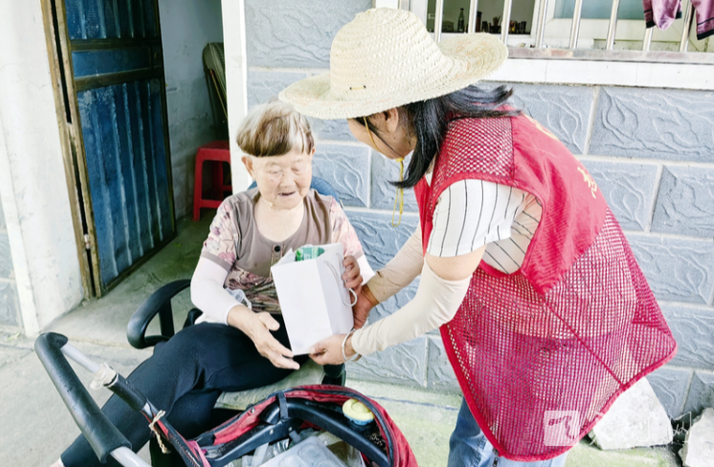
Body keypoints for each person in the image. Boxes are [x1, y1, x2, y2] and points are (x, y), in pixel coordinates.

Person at [280, 8, 678, 467]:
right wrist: (371, 292)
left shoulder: (468, 177)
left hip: (568, 318)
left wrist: (351, 346)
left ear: (387, 115)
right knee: (477, 427)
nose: (353, 134)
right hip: (529, 305)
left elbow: (436, 307)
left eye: (353, 120)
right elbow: (440, 234)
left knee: (521, 453)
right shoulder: (454, 123)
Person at [51, 100, 373, 467]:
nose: (287, 180)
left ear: (312, 156)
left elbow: (367, 281)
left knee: (179, 369)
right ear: (249, 165)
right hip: (236, 326)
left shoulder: (327, 213)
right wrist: (246, 320)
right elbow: (203, 286)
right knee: (179, 413)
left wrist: (355, 279)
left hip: (293, 343)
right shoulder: (235, 212)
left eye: (297, 166)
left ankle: (75, 464)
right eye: (273, 169)